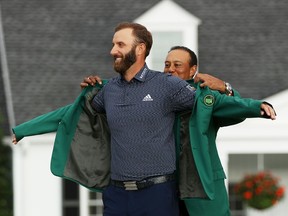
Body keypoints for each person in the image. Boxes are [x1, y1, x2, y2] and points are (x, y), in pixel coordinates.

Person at [12, 22, 276, 216]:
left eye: (119, 44)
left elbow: (214, 102)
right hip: (116, 195)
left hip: (163, 194)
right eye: (113, 44)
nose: (112, 50)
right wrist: (24, 129)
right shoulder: (108, 90)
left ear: (139, 49)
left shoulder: (167, 87)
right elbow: (72, 112)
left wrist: (255, 106)